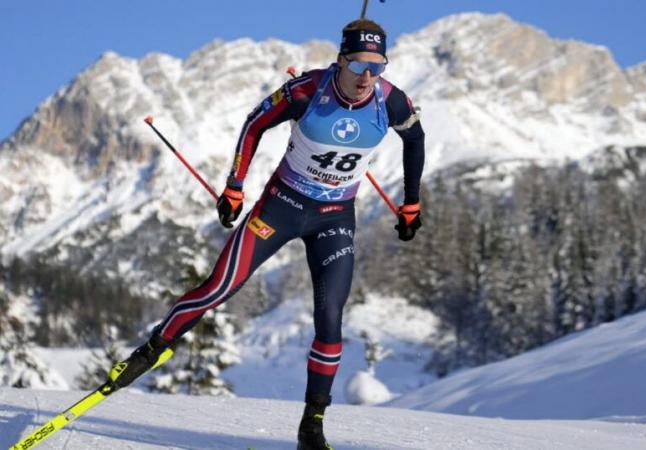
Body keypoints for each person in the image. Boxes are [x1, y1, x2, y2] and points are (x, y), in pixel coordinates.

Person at [109, 18, 425, 450]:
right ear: (340, 61)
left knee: (331, 322)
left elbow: (416, 140)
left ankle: (311, 427)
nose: (366, 77)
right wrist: (234, 187)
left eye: (377, 66)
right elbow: (255, 123)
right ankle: (150, 350)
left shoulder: (391, 102)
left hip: (335, 218)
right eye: (357, 66)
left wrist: (412, 203)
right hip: (282, 206)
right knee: (219, 287)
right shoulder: (307, 91)